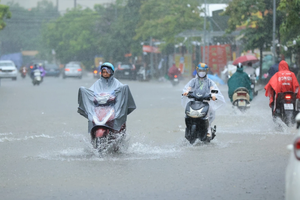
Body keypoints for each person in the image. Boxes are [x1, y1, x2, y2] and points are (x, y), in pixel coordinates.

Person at [77, 62, 136, 143]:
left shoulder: (117, 83)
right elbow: (91, 92)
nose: (105, 74)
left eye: (107, 72)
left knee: (118, 120)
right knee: (92, 119)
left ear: (111, 72)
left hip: (113, 108)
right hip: (99, 109)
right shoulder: (97, 83)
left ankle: (117, 137)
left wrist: (116, 96)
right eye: (103, 72)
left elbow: (122, 92)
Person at [182, 63, 225, 137]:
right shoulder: (193, 81)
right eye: (200, 70)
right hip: (195, 101)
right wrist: (186, 92)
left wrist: (213, 95)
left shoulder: (209, 81)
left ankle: (208, 130)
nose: (202, 72)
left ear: (206, 71)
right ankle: (188, 128)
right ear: (197, 71)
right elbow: (189, 88)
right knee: (187, 113)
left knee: (208, 113)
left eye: (203, 70)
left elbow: (212, 88)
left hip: (205, 101)